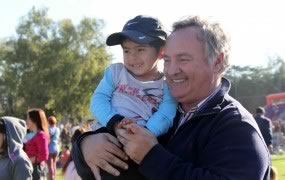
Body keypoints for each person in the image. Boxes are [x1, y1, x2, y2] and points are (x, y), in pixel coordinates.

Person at [72, 15, 270, 180]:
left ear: (217, 62)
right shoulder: (169, 110)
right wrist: (84, 146)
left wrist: (150, 156)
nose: (172, 70)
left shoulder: (237, 128)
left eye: (183, 59)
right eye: (168, 61)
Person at [90, 15, 177, 137]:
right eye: (126, 51)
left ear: (161, 52)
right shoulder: (116, 72)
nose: (132, 57)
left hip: (142, 139)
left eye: (140, 49)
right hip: (106, 131)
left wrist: (145, 133)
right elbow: (98, 99)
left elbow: (166, 114)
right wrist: (115, 122)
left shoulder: (166, 85)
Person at [24, 108, 49, 180]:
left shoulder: (41, 135)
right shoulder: (30, 134)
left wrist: (27, 160)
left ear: (34, 120)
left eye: (28, 119)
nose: (26, 121)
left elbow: (44, 155)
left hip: (37, 170)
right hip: (30, 168)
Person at [47, 116, 60, 180]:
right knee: (54, 164)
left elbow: (48, 138)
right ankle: (54, 177)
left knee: (50, 165)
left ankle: (52, 178)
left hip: (50, 148)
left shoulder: (48, 129)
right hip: (56, 147)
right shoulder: (57, 129)